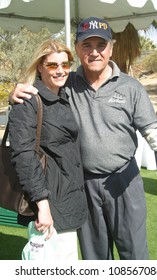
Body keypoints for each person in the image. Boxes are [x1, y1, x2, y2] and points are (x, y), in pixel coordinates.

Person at [10, 17, 157, 260]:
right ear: (78, 49)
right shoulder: (68, 82)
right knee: (95, 256)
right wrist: (17, 91)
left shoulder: (130, 86)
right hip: (84, 185)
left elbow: (149, 125)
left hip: (124, 180)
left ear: (111, 49)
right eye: (87, 45)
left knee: (134, 254)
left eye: (100, 45)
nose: (94, 52)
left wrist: (155, 132)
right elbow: (43, 84)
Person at [8, 39, 87, 260]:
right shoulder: (28, 100)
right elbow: (23, 156)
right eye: (52, 65)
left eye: (65, 64)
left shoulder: (65, 94)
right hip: (49, 205)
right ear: (40, 66)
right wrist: (42, 205)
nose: (60, 70)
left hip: (69, 201)